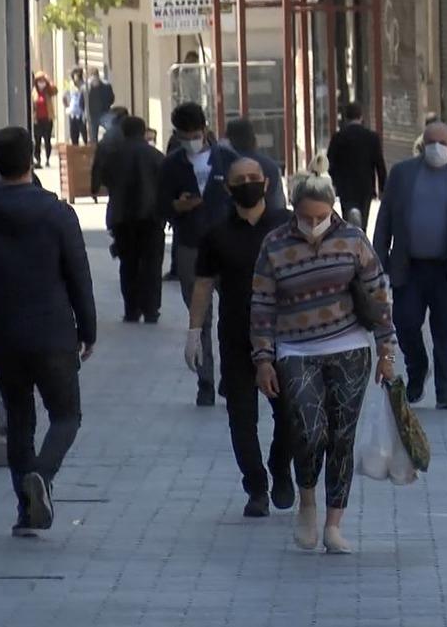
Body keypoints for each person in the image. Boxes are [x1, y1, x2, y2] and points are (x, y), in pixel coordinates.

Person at [0, 127, 96, 537]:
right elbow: (78, 276)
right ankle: (42, 473)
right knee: (66, 415)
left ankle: (26, 509)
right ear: (31, 159)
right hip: (53, 331)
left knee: (20, 420)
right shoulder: (57, 213)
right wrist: (87, 329)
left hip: (4, 334)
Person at [251, 172, 396, 553]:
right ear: (294, 210)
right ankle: (307, 502)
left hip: (349, 346)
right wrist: (263, 359)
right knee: (309, 431)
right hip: (296, 350)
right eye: (306, 217)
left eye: (321, 216)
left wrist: (387, 351)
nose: (314, 224)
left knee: (342, 436)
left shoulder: (352, 239)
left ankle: (334, 524)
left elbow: (378, 295)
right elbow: (262, 305)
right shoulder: (275, 245)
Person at [188, 158, 294, 518]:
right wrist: (194, 332)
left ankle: (280, 466)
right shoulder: (216, 234)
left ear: (266, 183)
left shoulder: (287, 225)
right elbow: (203, 284)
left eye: (254, 178)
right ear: (228, 187)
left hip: (284, 336)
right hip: (236, 335)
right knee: (241, 417)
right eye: (240, 179)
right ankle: (256, 487)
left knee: (290, 413)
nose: (248, 183)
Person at [373, 121, 447, 408]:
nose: (436, 148)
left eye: (442, 143)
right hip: (409, 267)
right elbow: (385, 217)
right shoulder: (402, 173)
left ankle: (446, 390)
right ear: (422, 144)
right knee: (405, 323)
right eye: (430, 142)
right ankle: (418, 368)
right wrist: (378, 259)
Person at [159, 102, 240, 407]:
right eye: (184, 136)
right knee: (200, 317)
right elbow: (160, 206)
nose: (190, 140)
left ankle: (230, 378)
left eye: (194, 134)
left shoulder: (227, 159)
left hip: (227, 246)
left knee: (233, 315)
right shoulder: (171, 165)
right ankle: (205, 382)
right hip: (191, 246)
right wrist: (177, 206)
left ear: (205, 130)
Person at [105, 116, 165, 324]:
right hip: (151, 216)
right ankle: (151, 308)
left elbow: (104, 180)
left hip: (122, 216)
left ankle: (131, 308)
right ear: (143, 132)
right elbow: (165, 184)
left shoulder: (113, 155)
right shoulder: (155, 155)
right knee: (152, 264)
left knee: (128, 263)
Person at [327, 102, 387, 229]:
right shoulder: (371, 137)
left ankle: (349, 238)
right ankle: (361, 238)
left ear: (346, 117)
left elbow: (330, 163)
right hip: (365, 186)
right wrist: (383, 188)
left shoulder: (338, 137)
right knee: (363, 222)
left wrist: (335, 182)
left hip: (345, 187)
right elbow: (379, 164)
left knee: (347, 222)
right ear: (361, 116)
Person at [225, 117, 286, 211]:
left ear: (228, 140)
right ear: (253, 138)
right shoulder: (271, 166)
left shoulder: (223, 165)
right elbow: (278, 204)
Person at [91, 106, 131, 199]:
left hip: (114, 179)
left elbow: (98, 162)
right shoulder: (132, 131)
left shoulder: (109, 135)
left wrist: (95, 186)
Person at [32, 71, 58, 167]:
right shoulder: (34, 92)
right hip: (37, 120)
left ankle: (47, 159)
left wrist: (48, 80)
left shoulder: (48, 91)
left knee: (47, 140)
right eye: (39, 81)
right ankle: (38, 160)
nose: (41, 83)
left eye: (43, 81)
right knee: (37, 141)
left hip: (47, 119)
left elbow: (55, 90)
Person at [86, 67, 116, 144]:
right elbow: (82, 102)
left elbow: (111, 99)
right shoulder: (86, 88)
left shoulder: (106, 86)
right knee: (93, 139)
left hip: (103, 113)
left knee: (110, 132)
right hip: (92, 115)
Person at [63, 67, 88, 146]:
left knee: (84, 134)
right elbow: (64, 96)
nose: (76, 78)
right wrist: (67, 107)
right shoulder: (69, 84)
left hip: (81, 114)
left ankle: (86, 149)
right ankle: (75, 149)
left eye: (78, 75)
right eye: (74, 75)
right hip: (72, 113)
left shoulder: (85, 85)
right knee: (73, 135)